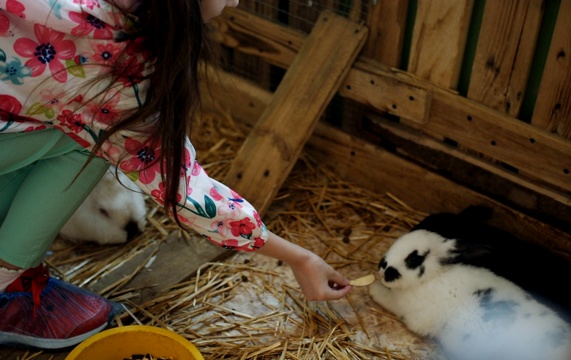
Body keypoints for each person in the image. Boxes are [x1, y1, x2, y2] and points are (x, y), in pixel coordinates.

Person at [0, 0, 352, 350]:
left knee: (81, 129)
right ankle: (7, 284)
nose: (236, 1)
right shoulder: (119, 67)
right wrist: (300, 258)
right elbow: (185, 191)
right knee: (93, 136)